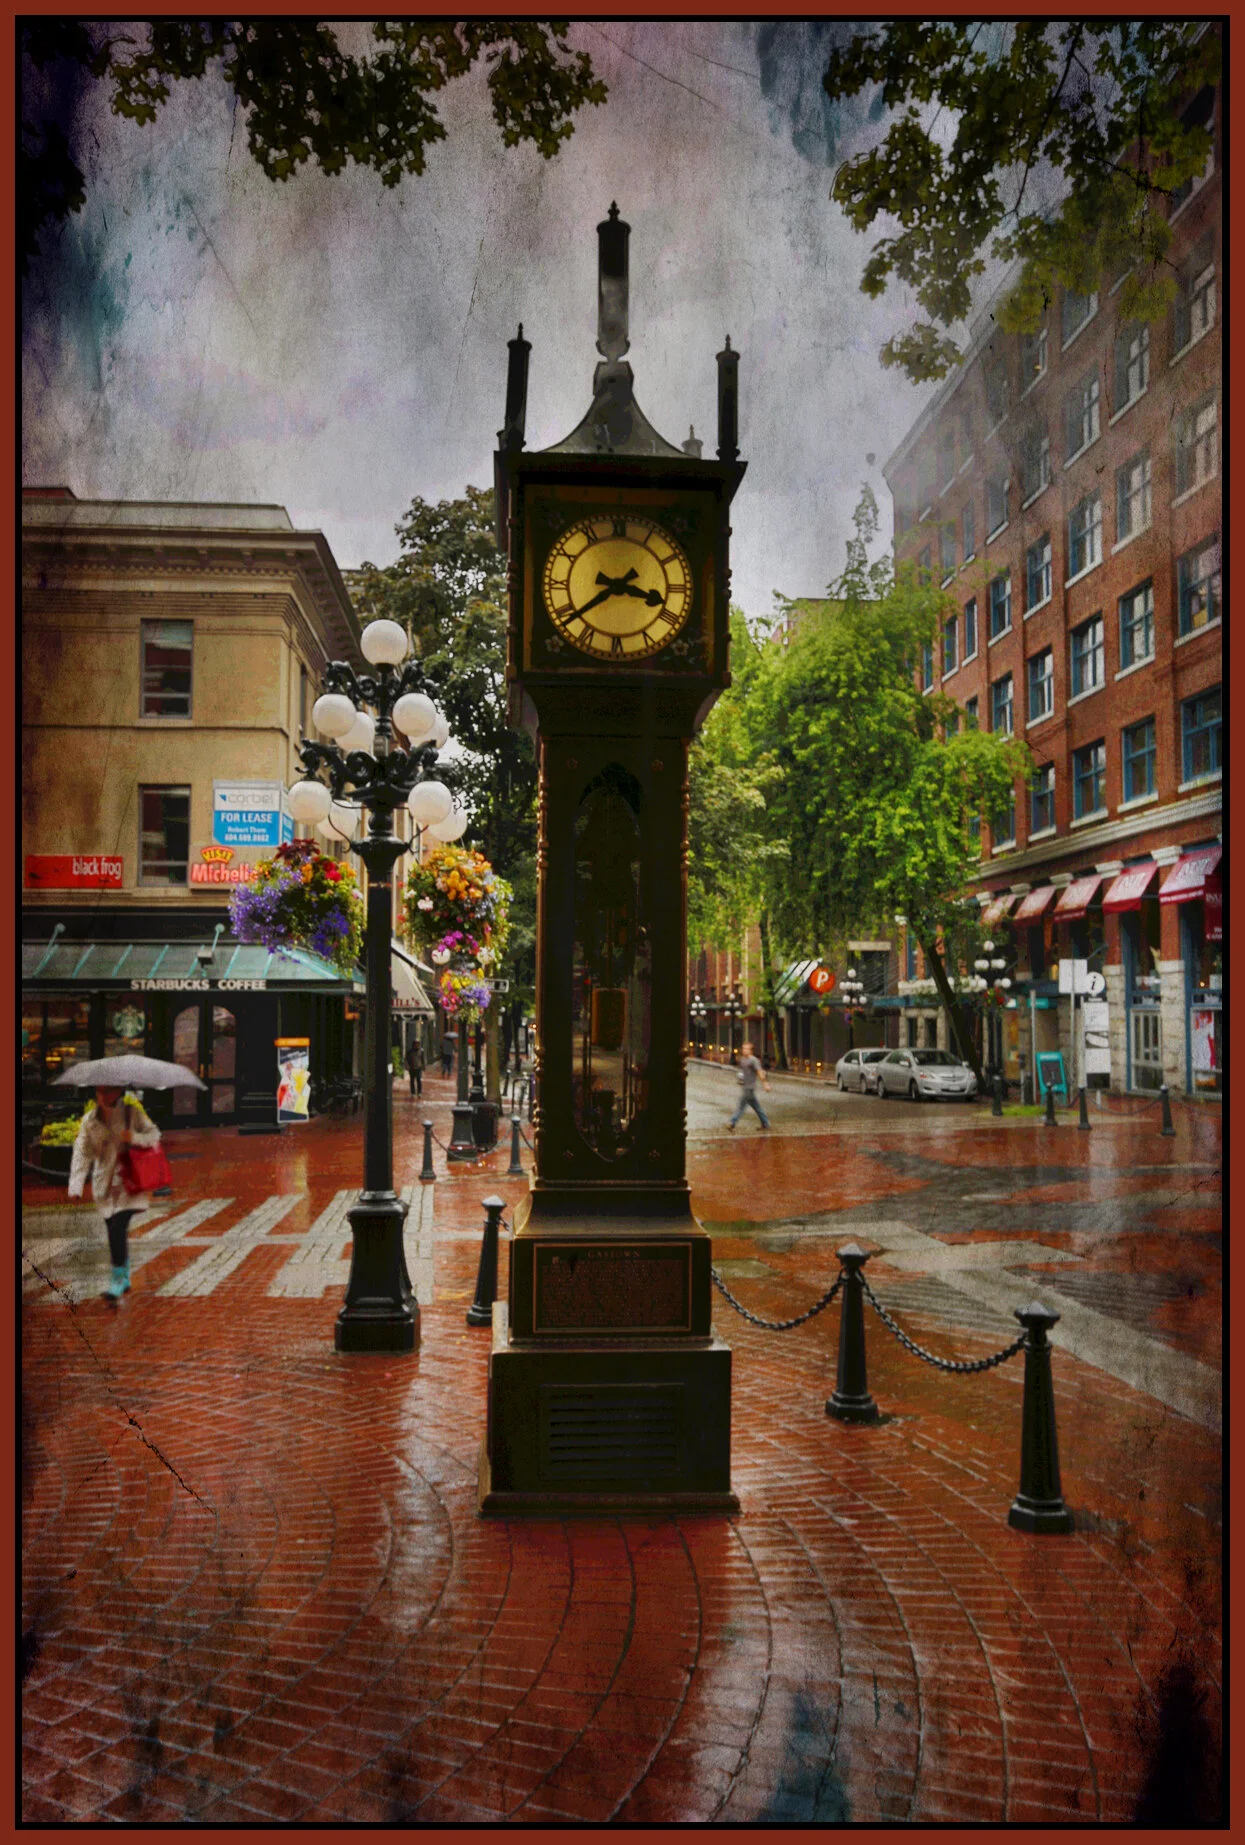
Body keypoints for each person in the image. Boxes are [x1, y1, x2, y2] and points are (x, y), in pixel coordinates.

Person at [67, 1087, 163, 1300]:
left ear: (117, 1091)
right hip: (104, 1185)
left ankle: (117, 1280)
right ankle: (124, 1276)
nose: (103, 1095)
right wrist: (76, 1185)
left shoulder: (131, 1113)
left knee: (117, 1229)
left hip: (129, 1183)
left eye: (108, 1090)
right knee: (113, 1228)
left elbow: (154, 1134)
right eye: (100, 1091)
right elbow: (81, 1153)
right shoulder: (89, 1121)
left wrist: (134, 1137)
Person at [728, 1040, 771, 1132]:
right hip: (745, 1086)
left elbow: (759, 1072)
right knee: (757, 1107)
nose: (744, 1050)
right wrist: (741, 1079)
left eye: (747, 1049)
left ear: (751, 1051)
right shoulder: (743, 1059)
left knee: (741, 1106)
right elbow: (743, 1072)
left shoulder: (754, 1060)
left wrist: (765, 1084)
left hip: (750, 1087)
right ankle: (765, 1123)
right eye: (743, 1048)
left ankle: (732, 1122)